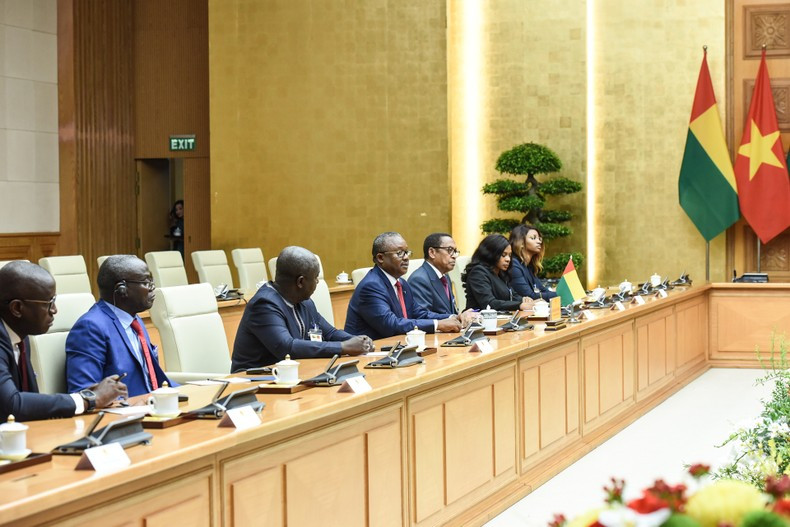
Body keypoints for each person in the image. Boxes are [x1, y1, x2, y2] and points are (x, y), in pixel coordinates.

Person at [0, 261, 127, 421]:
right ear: (17, 308)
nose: (54, 310)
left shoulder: (20, 336)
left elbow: (28, 398)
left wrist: (87, 395)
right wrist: (87, 400)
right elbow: (12, 405)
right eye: (48, 303)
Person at [231, 246, 374, 372]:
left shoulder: (305, 302)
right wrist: (343, 347)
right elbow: (287, 348)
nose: (318, 282)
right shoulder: (264, 305)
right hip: (253, 381)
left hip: (291, 376)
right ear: (300, 281)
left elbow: (330, 333)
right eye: (316, 278)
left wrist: (357, 341)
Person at [66, 255, 172, 397]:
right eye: (146, 282)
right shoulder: (91, 328)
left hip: (153, 405)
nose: (153, 288)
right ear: (122, 289)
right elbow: (84, 394)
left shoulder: (135, 320)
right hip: (125, 414)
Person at [345, 232, 462, 340]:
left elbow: (419, 313)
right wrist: (438, 325)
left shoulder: (401, 283)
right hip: (370, 353)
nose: (406, 257)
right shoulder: (371, 286)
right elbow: (391, 324)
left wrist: (454, 317)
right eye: (400, 253)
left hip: (397, 347)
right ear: (380, 258)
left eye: (407, 252)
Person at [462, 234, 533, 312]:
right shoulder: (478, 272)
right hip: (479, 321)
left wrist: (524, 300)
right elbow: (489, 303)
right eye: (503, 255)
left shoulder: (500, 273)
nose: (508, 259)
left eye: (509, 255)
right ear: (491, 254)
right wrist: (519, 305)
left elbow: (511, 295)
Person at [408, 232, 462, 315]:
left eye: (455, 251)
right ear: (432, 252)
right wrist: (453, 318)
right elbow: (422, 315)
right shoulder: (419, 280)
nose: (454, 256)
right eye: (450, 250)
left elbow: (452, 311)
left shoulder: (445, 277)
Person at [509, 224, 558, 301]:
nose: (539, 242)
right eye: (533, 238)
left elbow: (542, 290)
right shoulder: (514, 265)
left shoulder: (529, 266)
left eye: (539, 239)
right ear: (521, 243)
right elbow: (529, 295)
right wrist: (561, 295)